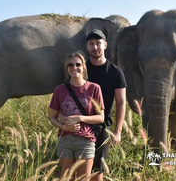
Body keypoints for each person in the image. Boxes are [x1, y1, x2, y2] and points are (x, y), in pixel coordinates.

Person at [49, 52, 105, 180]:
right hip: (65, 140)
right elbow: (53, 117)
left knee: (83, 178)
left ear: (84, 67)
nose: (74, 68)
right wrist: (65, 128)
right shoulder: (60, 89)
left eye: (78, 64)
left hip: (85, 140)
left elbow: (101, 118)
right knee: (67, 178)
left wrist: (79, 118)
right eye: (70, 65)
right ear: (67, 68)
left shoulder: (94, 88)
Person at [86, 29, 127, 181]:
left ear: (105, 45)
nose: (95, 47)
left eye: (98, 43)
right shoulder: (81, 69)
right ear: (87, 47)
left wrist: (117, 131)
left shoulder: (116, 72)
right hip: (80, 126)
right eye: (91, 44)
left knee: (97, 170)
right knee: (79, 168)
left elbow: (121, 103)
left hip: (102, 127)